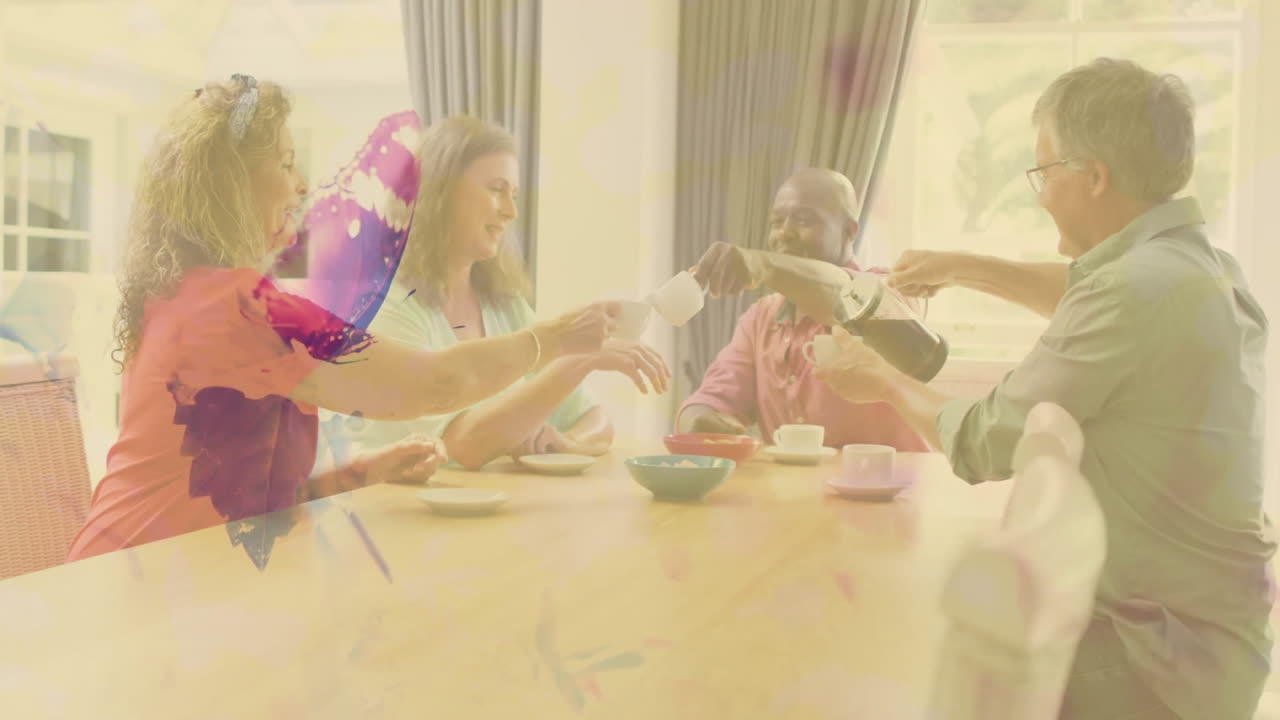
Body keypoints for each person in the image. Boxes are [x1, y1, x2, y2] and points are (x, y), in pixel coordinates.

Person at [816, 58, 1274, 720]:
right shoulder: (1196, 267)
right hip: (1219, 640)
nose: (1038, 192)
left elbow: (980, 443)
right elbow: (1091, 290)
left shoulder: (1134, 291)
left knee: (890, 657)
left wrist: (878, 381)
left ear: (1094, 178)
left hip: (1162, 662)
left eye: (1044, 172)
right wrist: (963, 267)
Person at [66, 76, 619, 567]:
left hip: (175, 577)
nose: (303, 185)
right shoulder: (235, 306)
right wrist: (557, 339)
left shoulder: (190, 296)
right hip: (133, 585)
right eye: (285, 164)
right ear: (231, 183)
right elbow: (435, 384)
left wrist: (355, 475)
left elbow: (227, 489)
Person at [333, 116, 669, 471]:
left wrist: (566, 444)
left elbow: (594, 420)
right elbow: (463, 445)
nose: (510, 212)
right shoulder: (387, 306)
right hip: (403, 519)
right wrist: (580, 358)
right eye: (496, 189)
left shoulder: (506, 308)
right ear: (437, 193)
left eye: (513, 195)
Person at [676, 168, 926, 451]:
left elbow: (848, 297)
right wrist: (698, 422)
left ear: (849, 231)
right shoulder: (761, 319)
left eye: (804, 220)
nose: (784, 233)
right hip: (794, 493)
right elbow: (712, 399)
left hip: (895, 490)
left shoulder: (894, 291)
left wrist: (764, 264)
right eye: (776, 222)